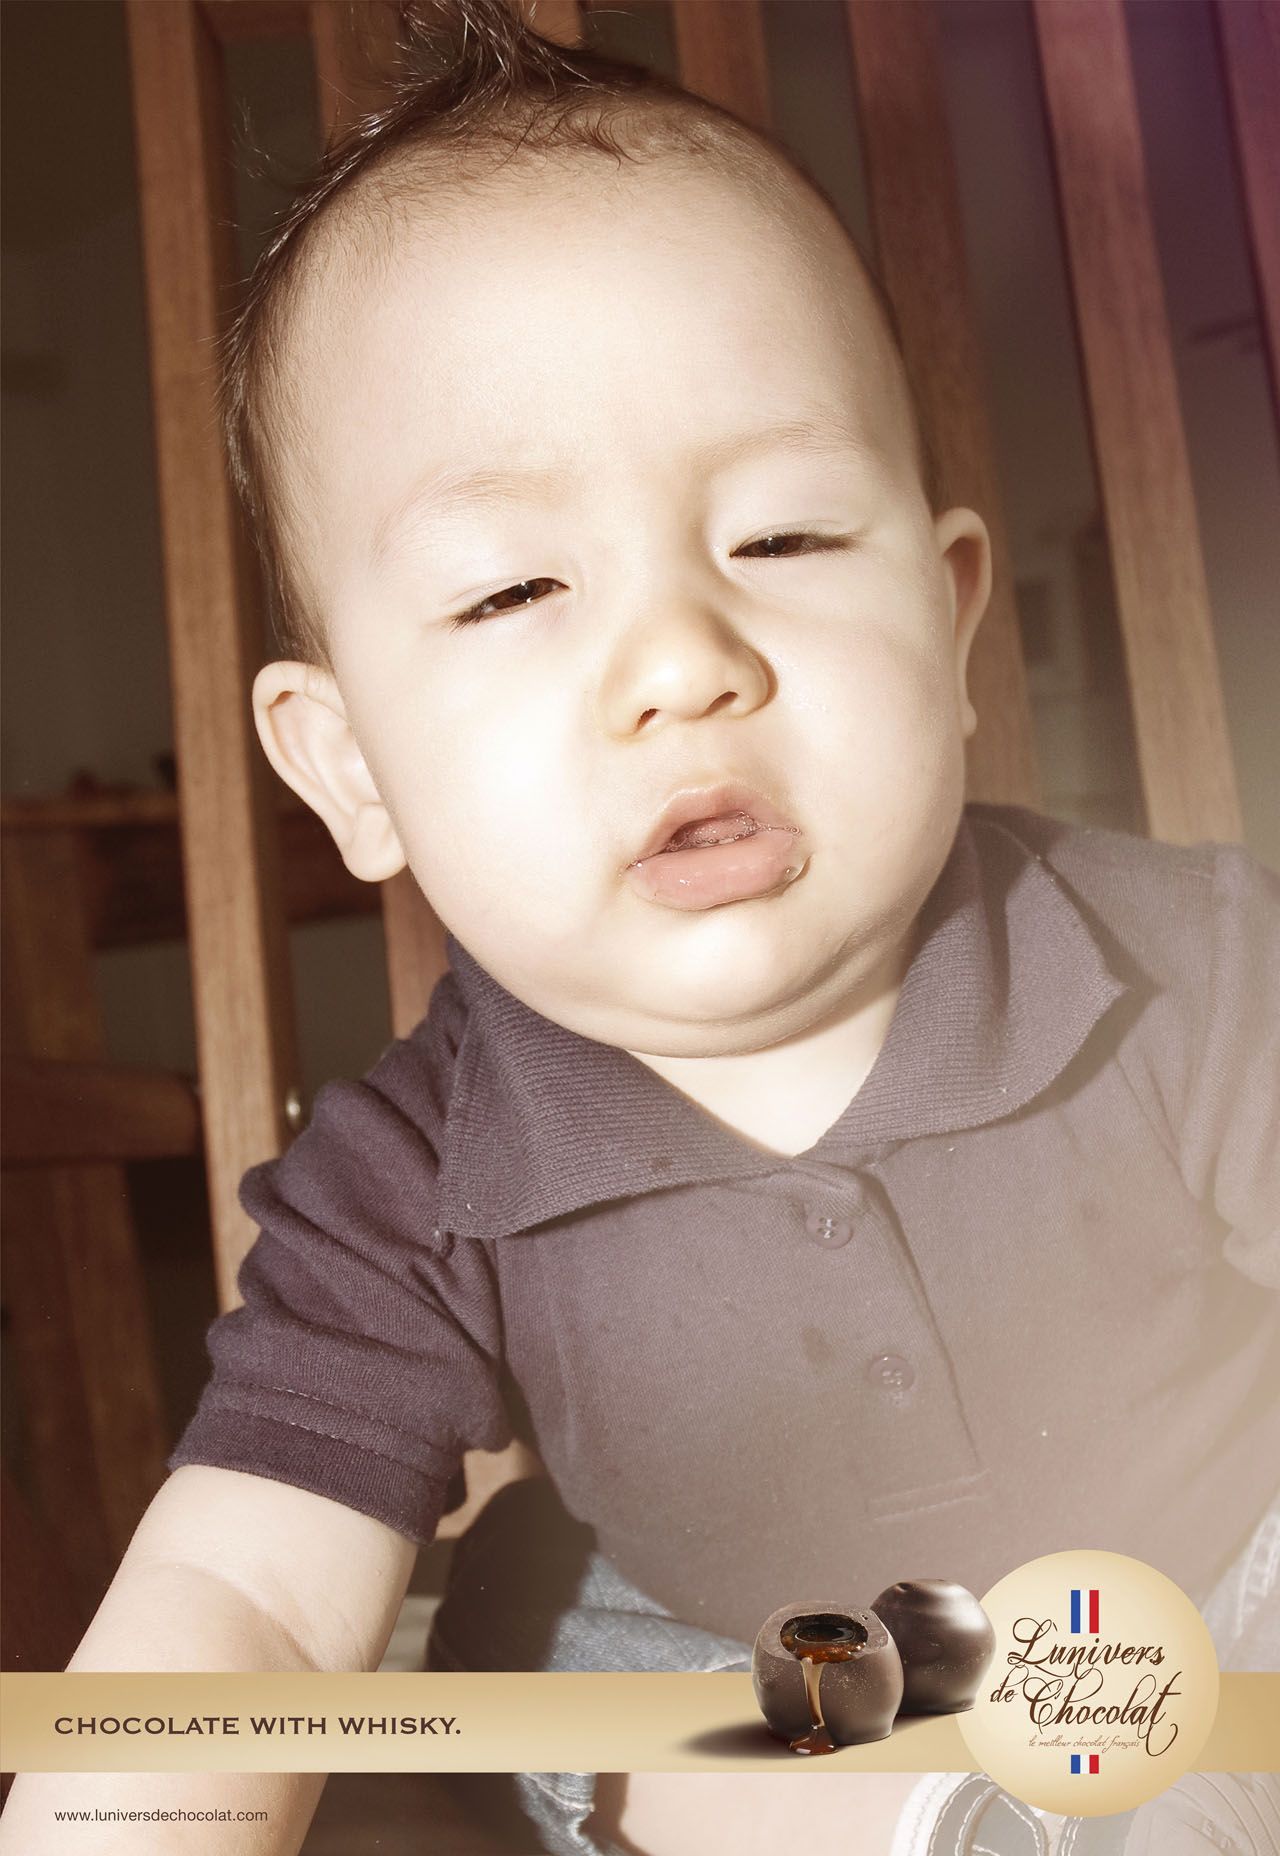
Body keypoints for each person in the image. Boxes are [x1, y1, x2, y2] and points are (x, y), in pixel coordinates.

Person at [3, 2, 1277, 1852]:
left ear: (950, 623)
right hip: (833, 1713)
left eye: (782, 539)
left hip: (1225, 1606)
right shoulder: (410, 1187)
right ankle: (977, 1827)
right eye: (514, 586)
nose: (683, 660)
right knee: (570, 1657)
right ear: (350, 764)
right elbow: (250, 1600)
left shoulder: (1197, 969)